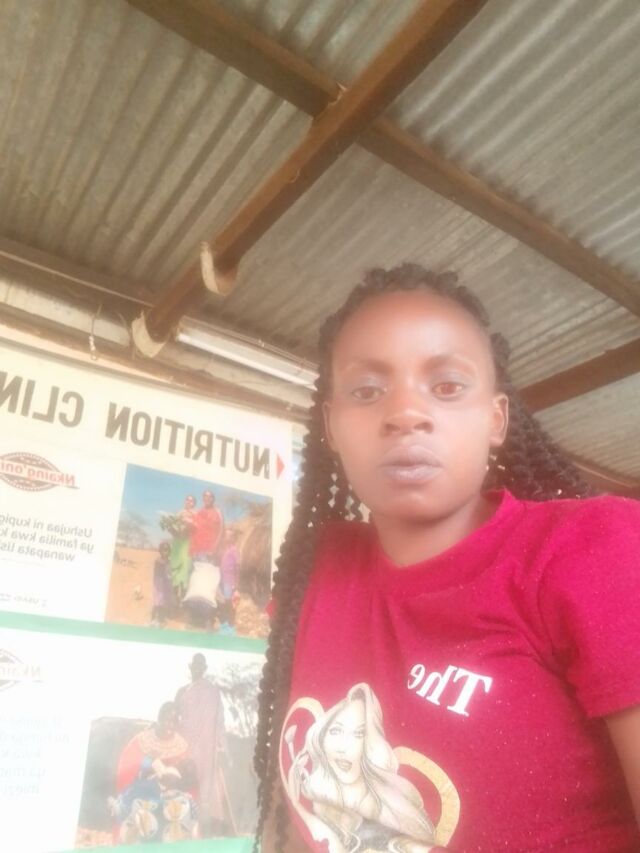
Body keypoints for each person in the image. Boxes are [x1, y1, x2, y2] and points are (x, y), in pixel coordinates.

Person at [255, 265, 640, 852]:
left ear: (496, 418)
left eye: (448, 386)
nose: (405, 413)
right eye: (367, 391)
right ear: (331, 425)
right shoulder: (318, 570)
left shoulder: (592, 552)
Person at [112, 702, 194, 843]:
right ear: (159, 718)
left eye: (174, 721)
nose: (170, 725)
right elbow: (126, 768)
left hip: (172, 798)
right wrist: (149, 765)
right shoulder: (142, 740)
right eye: (167, 720)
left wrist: (177, 782)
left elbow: (190, 779)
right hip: (142, 793)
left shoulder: (182, 746)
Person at [175, 653, 230, 837]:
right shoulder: (182, 692)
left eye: (200, 666)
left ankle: (206, 831)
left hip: (207, 748)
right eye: (194, 665)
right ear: (190, 668)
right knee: (186, 785)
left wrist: (223, 748)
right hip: (185, 746)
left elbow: (220, 721)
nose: (197, 669)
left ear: (204, 669)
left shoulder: (213, 692)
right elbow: (174, 716)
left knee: (208, 789)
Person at [161, 495, 196, 600]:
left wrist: (190, 522)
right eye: (187, 500)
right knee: (175, 569)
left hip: (188, 543)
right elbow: (173, 528)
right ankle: (175, 598)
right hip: (177, 543)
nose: (189, 502)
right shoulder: (179, 513)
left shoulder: (195, 514)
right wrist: (169, 526)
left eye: (191, 501)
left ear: (194, 504)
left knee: (185, 570)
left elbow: (197, 528)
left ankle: (184, 598)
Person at [190, 490, 224, 563]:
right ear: (203, 498)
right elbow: (195, 531)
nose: (208, 498)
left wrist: (215, 547)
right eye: (205, 496)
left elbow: (221, 530)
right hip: (198, 550)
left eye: (210, 496)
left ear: (213, 499)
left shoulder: (218, 511)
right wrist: (193, 550)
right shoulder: (199, 512)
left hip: (212, 550)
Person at [218, 528, 240, 632]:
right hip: (223, 579)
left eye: (229, 536)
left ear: (233, 538)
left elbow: (238, 566)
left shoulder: (234, 550)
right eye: (226, 535)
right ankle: (225, 623)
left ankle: (230, 625)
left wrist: (236, 583)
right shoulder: (225, 549)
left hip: (229, 580)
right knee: (224, 601)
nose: (226, 537)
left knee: (229, 602)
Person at [150, 540, 172, 627]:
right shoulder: (158, 561)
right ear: (160, 551)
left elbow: (169, 572)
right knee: (158, 601)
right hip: (159, 584)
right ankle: (154, 618)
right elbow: (158, 574)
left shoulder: (169, 561)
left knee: (163, 602)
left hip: (166, 584)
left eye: (167, 550)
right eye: (164, 550)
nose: (165, 552)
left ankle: (160, 619)